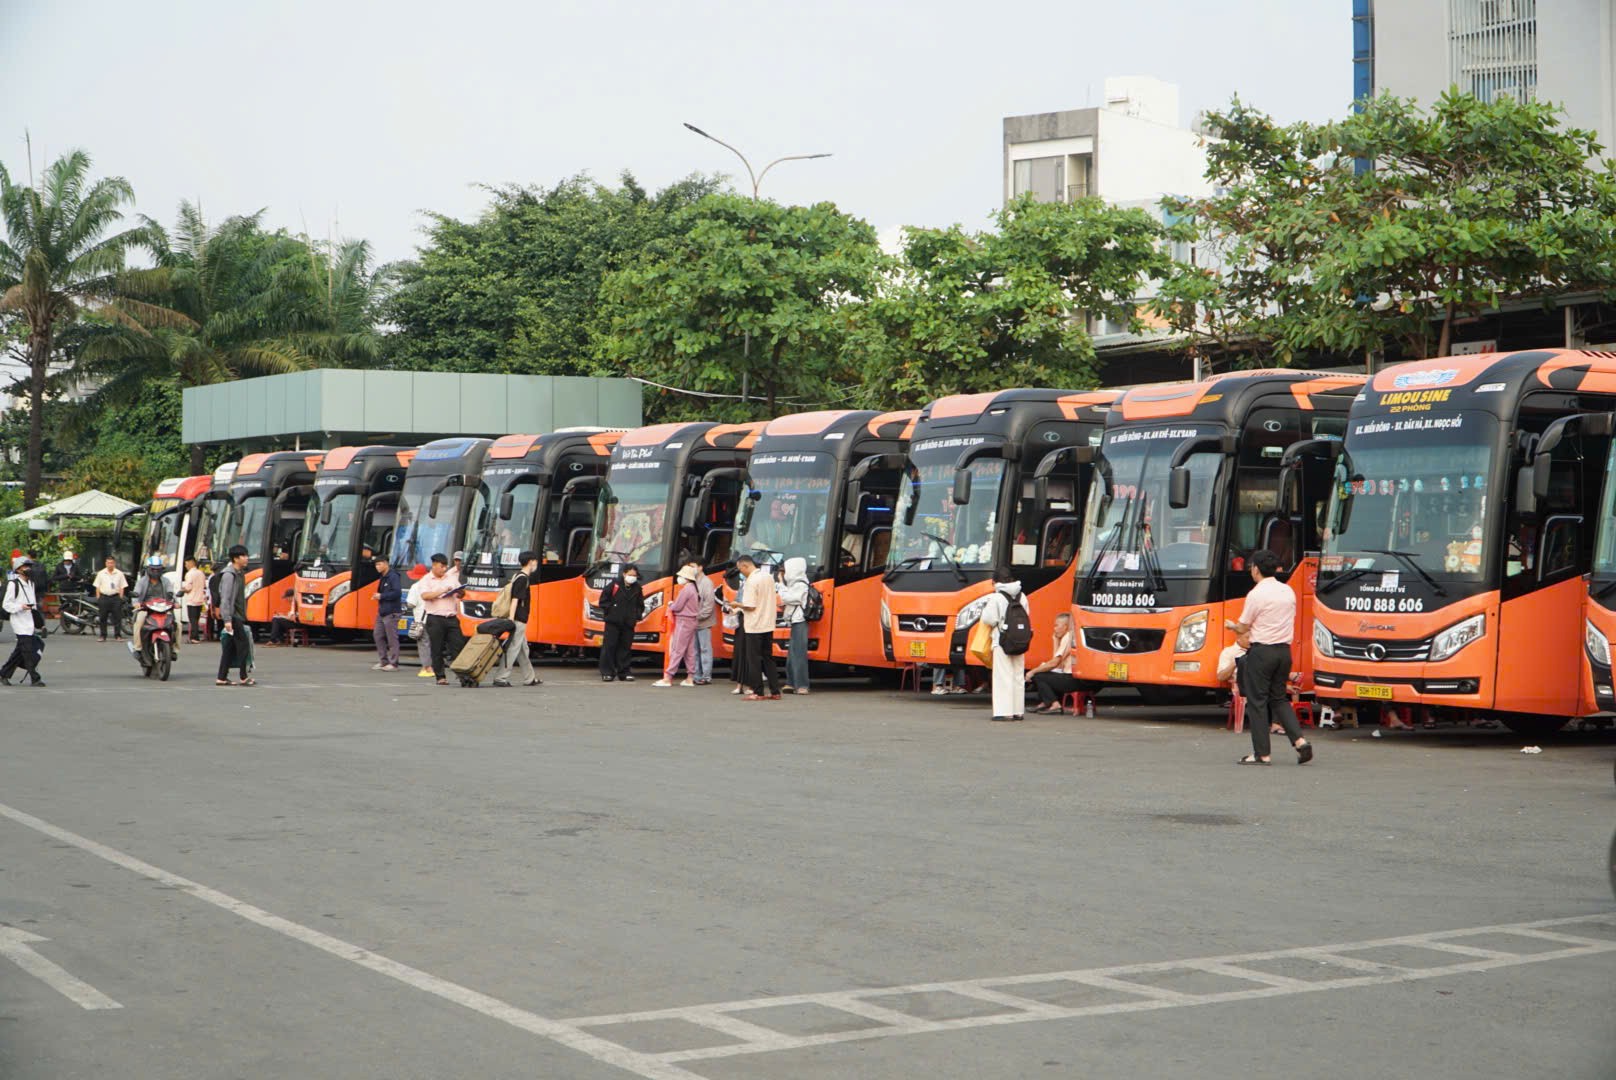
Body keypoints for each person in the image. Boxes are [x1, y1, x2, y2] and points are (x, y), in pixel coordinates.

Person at [1231, 548, 1312, 765]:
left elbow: (1243, 626)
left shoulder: (1256, 594)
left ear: (1256, 569)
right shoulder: (1287, 591)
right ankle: (1300, 741)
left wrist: (1234, 627)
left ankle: (1262, 754)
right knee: (1278, 698)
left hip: (1262, 651)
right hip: (1283, 652)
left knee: (1257, 702)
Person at [979, 568, 1031, 722]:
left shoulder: (996, 598)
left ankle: (1004, 711)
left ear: (995, 581)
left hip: (1002, 639)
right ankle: (1018, 711)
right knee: (1017, 675)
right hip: (1020, 638)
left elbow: (988, 619)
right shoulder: (1023, 596)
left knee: (1003, 675)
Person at [736, 554, 781, 701]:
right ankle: (775, 690)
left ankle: (758, 691)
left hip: (754, 625)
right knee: (768, 657)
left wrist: (737, 605)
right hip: (768, 623)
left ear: (745, 565)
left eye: (740, 569)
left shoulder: (751, 580)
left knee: (753, 659)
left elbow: (750, 605)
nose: (740, 572)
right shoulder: (767, 577)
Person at [493, 551, 541, 688]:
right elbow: (515, 600)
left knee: (522, 649)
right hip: (518, 619)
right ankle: (500, 677)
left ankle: (529, 677)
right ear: (531, 562)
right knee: (514, 648)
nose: (536, 563)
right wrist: (511, 619)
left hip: (519, 619)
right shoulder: (522, 579)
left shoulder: (517, 576)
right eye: (535, 561)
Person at [419, 553, 466, 687]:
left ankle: (462, 675)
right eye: (441, 567)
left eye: (445, 566)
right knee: (437, 648)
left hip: (451, 617)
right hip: (435, 618)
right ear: (434, 566)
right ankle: (440, 676)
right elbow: (425, 595)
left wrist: (460, 591)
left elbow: (460, 592)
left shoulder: (451, 577)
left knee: (458, 646)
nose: (444, 569)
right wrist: (442, 591)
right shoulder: (426, 580)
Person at [655, 565, 702, 687]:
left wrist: (671, 605)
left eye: (681, 576)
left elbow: (677, 607)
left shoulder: (686, 589)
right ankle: (690, 677)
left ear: (686, 577)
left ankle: (668, 677)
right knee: (689, 650)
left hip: (683, 621)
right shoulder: (693, 588)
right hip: (692, 621)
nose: (679, 578)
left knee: (677, 649)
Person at [1, 559, 45, 686]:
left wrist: (39, 623)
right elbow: (7, 605)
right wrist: (21, 606)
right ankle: (35, 678)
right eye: (25, 566)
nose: (28, 569)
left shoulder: (31, 583)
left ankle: (4, 673)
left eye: (29, 566)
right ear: (18, 569)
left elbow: (34, 605)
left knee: (20, 651)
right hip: (19, 622)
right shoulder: (13, 585)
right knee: (27, 651)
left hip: (29, 621)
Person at [1026, 612, 1081, 714]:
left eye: (1056, 625)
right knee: (1046, 675)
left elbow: (1054, 663)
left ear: (1066, 627)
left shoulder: (1068, 637)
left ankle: (1054, 705)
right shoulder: (1071, 636)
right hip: (1075, 677)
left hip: (1073, 679)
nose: (1054, 629)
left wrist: (1032, 671)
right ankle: (1046, 702)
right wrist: (1055, 640)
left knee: (1038, 676)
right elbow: (1057, 663)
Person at [597, 565, 643, 682]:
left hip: (628, 623)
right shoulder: (614, 585)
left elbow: (640, 604)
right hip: (613, 622)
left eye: (634, 575)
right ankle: (607, 672)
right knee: (609, 647)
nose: (632, 577)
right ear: (624, 574)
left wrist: (636, 615)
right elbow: (603, 601)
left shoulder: (637, 588)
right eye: (630, 575)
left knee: (625, 648)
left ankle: (624, 672)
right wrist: (612, 612)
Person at [216, 545, 253, 686]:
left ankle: (222, 677)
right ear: (236, 559)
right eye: (243, 556)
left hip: (236, 615)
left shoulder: (239, 573)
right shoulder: (229, 575)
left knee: (229, 648)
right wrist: (227, 619)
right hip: (232, 616)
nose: (246, 558)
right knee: (243, 645)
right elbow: (225, 598)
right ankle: (243, 676)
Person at [778, 556, 812, 695]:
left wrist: (780, 584)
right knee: (792, 653)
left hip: (800, 621)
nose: (784, 573)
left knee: (798, 653)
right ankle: (791, 682)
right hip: (795, 621)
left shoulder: (801, 584)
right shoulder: (795, 584)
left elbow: (788, 598)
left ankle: (802, 685)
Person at [131, 556, 177, 655]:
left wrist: (175, 602)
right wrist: (136, 603)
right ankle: (138, 648)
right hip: (146, 608)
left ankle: (174, 649)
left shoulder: (166, 581)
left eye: (158, 569)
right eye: (153, 569)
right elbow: (136, 594)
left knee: (178, 625)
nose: (155, 571)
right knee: (139, 621)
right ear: (148, 569)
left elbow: (171, 593)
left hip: (163, 608)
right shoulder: (142, 582)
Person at [688, 558, 717, 685]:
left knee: (705, 648)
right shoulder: (692, 581)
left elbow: (709, 604)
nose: (691, 569)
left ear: (700, 567)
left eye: (693, 566)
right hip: (694, 621)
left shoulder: (706, 582)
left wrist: (698, 616)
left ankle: (706, 675)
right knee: (695, 649)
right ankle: (697, 674)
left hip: (703, 622)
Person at [92, 555, 128, 642]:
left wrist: (120, 598)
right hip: (104, 597)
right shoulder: (101, 573)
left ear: (114, 563)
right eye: (108, 563)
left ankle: (118, 635)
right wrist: (98, 597)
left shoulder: (119, 574)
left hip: (115, 598)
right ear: (105, 563)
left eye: (111, 563)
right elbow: (97, 586)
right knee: (103, 617)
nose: (110, 564)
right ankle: (103, 635)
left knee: (117, 617)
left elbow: (122, 586)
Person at [405, 572, 433, 677]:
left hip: (421, 620)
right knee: (432, 643)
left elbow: (411, 603)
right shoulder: (432, 586)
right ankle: (432, 666)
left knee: (423, 644)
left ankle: (427, 667)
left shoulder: (416, 586)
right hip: (433, 618)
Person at [182, 557, 208, 644]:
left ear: (191, 563)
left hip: (192, 600)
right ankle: (195, 637)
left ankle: (194, 637)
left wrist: (183, 589)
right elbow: (204, 585)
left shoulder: (189, 574)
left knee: (192, 620)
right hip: (200, 600)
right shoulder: (201, 573)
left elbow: (188, 587)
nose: (185, 566)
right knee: (196, 619)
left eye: (186, 564)